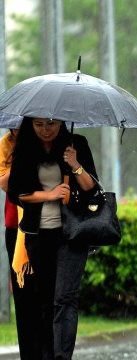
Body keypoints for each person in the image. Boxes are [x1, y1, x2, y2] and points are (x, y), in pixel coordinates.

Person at [8, 117, 98, 359]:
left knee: (65, 298)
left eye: (51, 124)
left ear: (61, 122)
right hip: (39, 235)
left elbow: (92, 189)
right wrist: (49, 194)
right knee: (46, 300)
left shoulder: (76, 143)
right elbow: (18, 194)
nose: (45, 130)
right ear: (30, 126)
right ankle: (48, 354)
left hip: (72, 234)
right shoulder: (26, 149)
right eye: (38, 125)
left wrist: (75, 164)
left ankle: (62, 356)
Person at [0, 128, 39, 359]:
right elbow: (5, 183)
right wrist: (23, 159)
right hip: (17, 227)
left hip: (47, 226)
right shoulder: (6, 145)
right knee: (23, 296)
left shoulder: (49, 139)